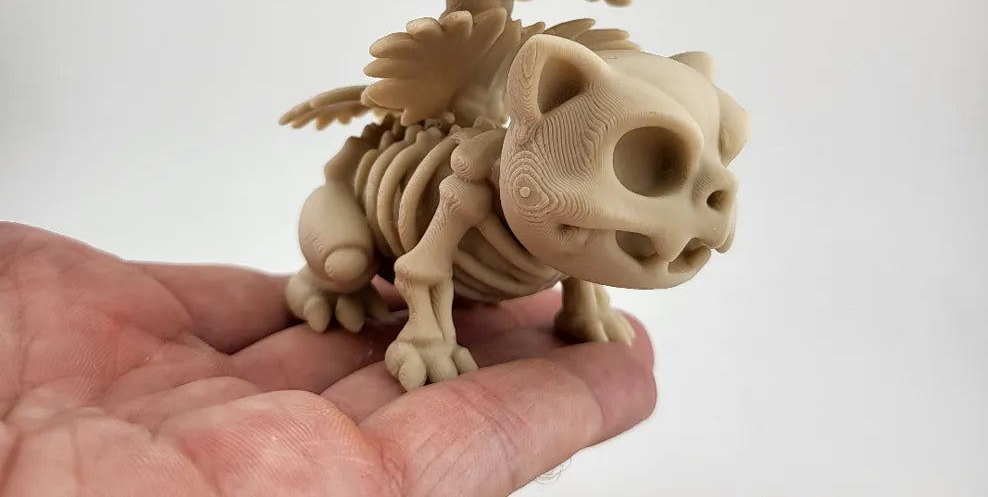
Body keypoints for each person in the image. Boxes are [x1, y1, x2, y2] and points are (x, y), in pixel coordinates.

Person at [0, 222, 656, 496]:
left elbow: (579, 245)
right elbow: (421, 263)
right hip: (401, 237)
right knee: (342, 260)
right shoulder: (471, 192)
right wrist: (426, 331)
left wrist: (582, 294)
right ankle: (329, 280)